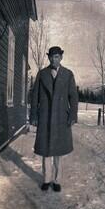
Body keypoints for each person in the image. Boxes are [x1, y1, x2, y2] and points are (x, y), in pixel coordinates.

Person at [30, 46, 78, 192]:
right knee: (46, 150)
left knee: (58, 151)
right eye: (51, 57)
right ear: (49, 58)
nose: (53, 59)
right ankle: (46, 179)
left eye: (56, 56)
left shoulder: (68, 74)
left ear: (61, 58)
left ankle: (57, 180)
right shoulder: (42, 74)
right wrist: (33, 115)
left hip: (61, 117)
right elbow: (35, 97)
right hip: (45, 116)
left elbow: (73, 97)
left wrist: (72, 115)